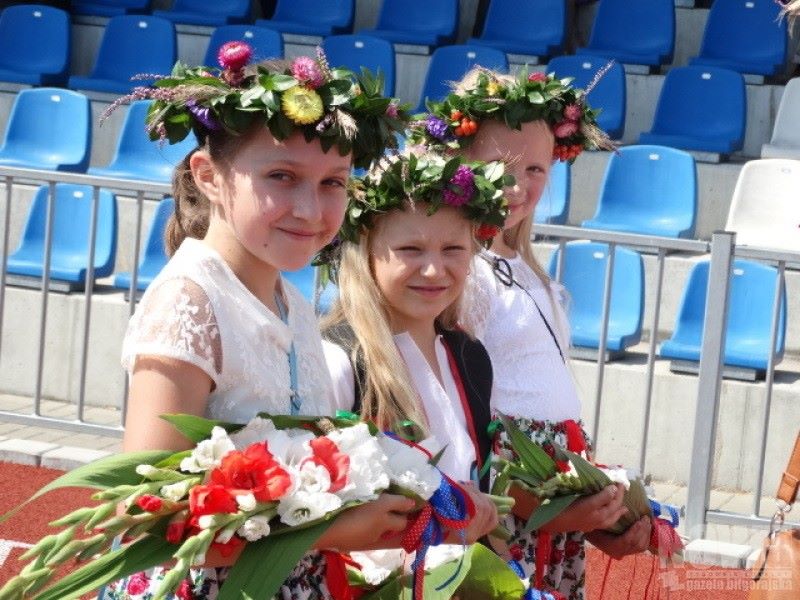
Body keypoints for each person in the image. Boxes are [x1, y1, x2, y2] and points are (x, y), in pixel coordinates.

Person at [102, 44, 416, 600]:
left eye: (333, 182)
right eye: (281, 175)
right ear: (209, 176)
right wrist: (333, 530)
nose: (312, 210)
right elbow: (147, 514)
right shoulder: (191, 300)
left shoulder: (291, 303)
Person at [410, 67, 652, 599]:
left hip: (551, 493)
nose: (518, 186)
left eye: (537, 169)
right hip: (510, 506)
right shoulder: (455, 269)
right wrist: (544, 506)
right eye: (499, 166)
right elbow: (459, 415)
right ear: (458, 160)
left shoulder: (521, 265)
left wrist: (593, 508)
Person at [318, 151, 508, 567]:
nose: (433, 270)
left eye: (453, 249)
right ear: (367, 252)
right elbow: (315, 518)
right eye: (410, 249)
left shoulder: (469, 355)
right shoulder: (339, 359)